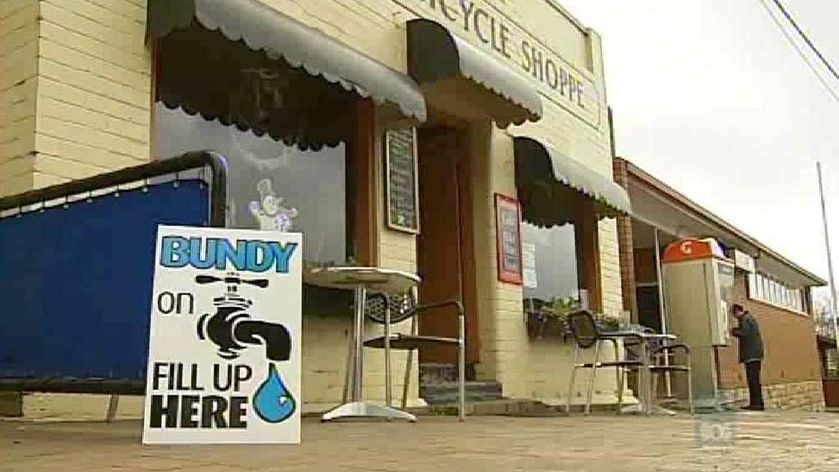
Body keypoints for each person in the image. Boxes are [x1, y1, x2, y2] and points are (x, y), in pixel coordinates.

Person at [730, 303, 765, 410]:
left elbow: (744, 333)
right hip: (755, 354)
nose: (734, 317)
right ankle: (757, 403)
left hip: (751, 354)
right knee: (755, 380)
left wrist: (733, 331)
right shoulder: (749, 318)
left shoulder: (744, 319)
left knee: (752, 380)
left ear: (736, 312)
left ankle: (756, 404)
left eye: (733, 314)